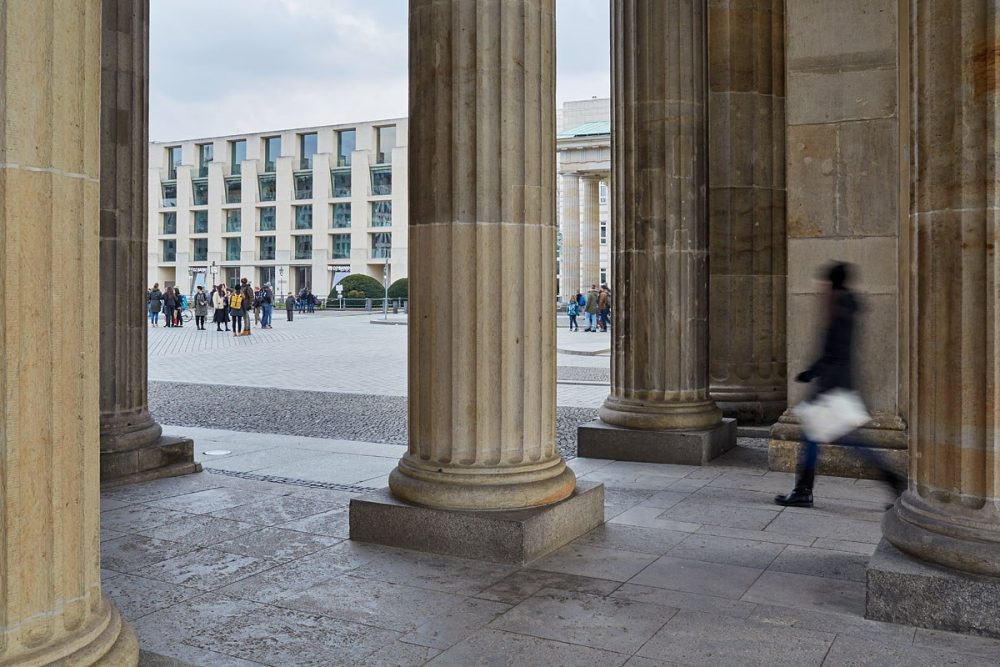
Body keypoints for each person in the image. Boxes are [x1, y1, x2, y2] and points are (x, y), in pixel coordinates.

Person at [775, 262, 905, 508]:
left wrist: (814, 375)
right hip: (836, 384)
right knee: (833, 438)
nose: (820, 286)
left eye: (823, 282)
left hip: (832, 387)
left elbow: (835, 352)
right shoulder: (843, 304)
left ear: (831, 282)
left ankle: (804, 490)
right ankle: (893, 481)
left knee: (840, 439)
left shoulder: (839, 307)